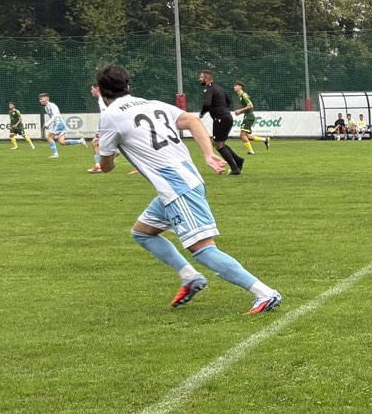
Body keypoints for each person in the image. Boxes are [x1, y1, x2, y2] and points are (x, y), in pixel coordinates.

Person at [90, 64, 282, 315]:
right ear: (128, 85)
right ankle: (190, 277)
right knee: (143, 232)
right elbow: (192, 120)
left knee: (203, 249)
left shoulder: (111, 116)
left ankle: (265, 293)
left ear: (101, 90)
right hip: (182, 181)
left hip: (176, 187)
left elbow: (106, 167)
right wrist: (208, 154)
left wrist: (106, 151)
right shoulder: (152, 104)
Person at [197, 69, 244, 176]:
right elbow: (228, 101)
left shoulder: (209, 89)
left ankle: (235, 168)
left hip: (221, 119)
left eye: (201, 77)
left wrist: (202, 113)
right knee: (220, 143)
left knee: (218, 144)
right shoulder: (218, 88)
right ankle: (238, 160)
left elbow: (207, 104)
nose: (200, 79)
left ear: (206, 78)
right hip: (226, 117)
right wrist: (223, 109)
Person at [233, 81, 265, 154]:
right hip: (248, 116)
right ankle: (265, 140)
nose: (234, 87)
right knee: (246, 136)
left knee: (242, 135)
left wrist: (240, 110)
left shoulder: (244, 95)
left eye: (236, 86)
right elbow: (248, 108)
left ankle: (251, 151)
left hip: (249, 117)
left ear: (240, 87)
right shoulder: (240, 96)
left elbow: (250, 106)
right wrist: (240, 112)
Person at [40, 93, 67, 157]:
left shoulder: (52, 105)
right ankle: (80, 141)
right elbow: (52, 117)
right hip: (57, 123)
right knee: (62, 142)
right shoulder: (46, 107)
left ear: (46, 98)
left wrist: (47, 123)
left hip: (59, 123)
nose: (40, 100)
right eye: (40, 99)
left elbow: (56, 115)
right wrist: (49, 124)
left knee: (49, 137)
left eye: (41, 99)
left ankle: (55, 155)